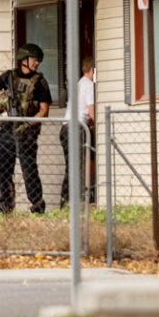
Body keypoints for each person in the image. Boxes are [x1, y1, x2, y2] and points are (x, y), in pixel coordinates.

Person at [0, 43, 52, 214]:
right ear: (24, 59)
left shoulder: (40, 82)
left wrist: (27, 124)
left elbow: (44, 111)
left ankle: (37, 206)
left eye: (38, 61)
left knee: (29, 170)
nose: (37, 63)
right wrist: (2, 95)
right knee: (4, 170)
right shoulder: (8, 77)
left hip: (26, 134)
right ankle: (6, 206)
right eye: (35, 60)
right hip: (5, 132)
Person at [60, 57, 95, 208]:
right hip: (76, 129)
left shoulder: (79, 84)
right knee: (77, 166)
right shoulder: (89, 86)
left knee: (71, 165)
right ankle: (72, 200)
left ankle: (66, 199)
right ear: (92, 70)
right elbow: (91, 110)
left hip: (66, 128)